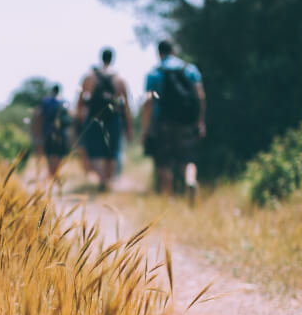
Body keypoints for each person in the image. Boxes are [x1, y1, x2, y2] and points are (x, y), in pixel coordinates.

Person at [141, 40, 206, 203]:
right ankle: (190, 181)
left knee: (164, 161)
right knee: (188, 158)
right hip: (187, 121)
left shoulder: (154, 73)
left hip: (163, 123)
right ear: (174, 51)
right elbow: (200, 96)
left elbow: (149, 103)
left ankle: (167, 199)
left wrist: (146, 129)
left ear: (159, 53)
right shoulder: (190, 70)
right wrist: (200, 121)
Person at [76, 48, 133, 191]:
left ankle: (101, 179)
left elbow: (80, 102)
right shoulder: (120, 79)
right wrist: (128, 126)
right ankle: (108, 180)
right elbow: (126, 105)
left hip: (94, 119)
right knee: (111, 151)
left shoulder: (89, 77)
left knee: (96, 150)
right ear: (112, 58)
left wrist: (79, 122)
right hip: (114, 118)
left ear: (101, 58)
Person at [32, 84, 71, 178]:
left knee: (50, 153)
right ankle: (56, 172)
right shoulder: (64, 102)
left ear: (52, 91)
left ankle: (51, 173)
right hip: (62, 133)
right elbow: (70, 117)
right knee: (59, 153)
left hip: (48, 131)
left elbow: (38, 116)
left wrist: (37, 131)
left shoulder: (45, 102)